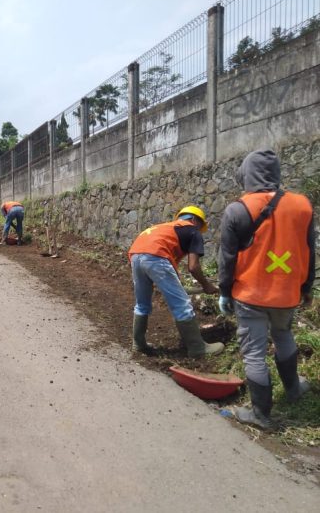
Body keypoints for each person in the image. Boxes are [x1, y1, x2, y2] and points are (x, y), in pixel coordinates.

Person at [218, 149, 315, 430]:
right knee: (283, 335)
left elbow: (227, 257)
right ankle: (294, 389)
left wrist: (225, 291)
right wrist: (307, 287)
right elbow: (309, 251)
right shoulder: (302, 206)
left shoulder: (238, 209)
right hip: (287, 294)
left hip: (251, 295)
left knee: (254, 353)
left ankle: (261, 415)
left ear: (247, 174)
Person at [127, 206, 224, 357]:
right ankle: (198, 348)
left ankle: (138, 344)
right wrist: (207, 285)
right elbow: (193, 267)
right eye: (200, 225)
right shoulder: (193, 230)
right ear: (194, 220)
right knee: (182, 305)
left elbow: (163, 262)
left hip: (136, 254)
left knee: (142, 304)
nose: (200, 229)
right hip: (156, 256)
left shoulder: (166, 228)